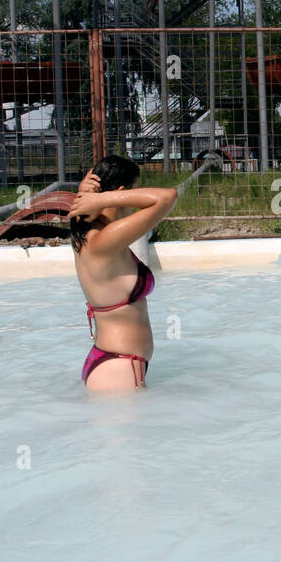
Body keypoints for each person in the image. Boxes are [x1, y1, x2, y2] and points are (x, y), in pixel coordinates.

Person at [68, 156, 177, 393]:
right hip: (118, 369)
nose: (134, 201)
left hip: (113, 363)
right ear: (120, 192)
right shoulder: (103, 240)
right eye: (133, 192)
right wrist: (104, 198)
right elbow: (166, 197)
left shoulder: (88, 227)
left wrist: (89, 194)